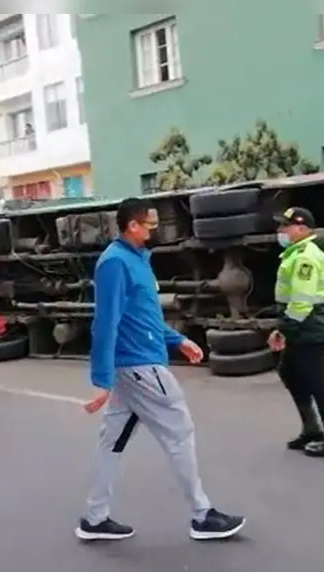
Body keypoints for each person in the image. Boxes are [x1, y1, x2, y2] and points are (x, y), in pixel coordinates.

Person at [77, 197, 245, 542]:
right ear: (131, 226)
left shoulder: (137, 260)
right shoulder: (115, 264)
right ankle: (202, 515)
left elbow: (142, 316)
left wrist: (176, 339)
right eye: (148, 224)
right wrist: (102, 380)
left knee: (112, 442)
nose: (153, 230)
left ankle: (94, 518)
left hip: (137, 362)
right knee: (180, 431)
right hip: (139, 365)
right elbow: (106, 322)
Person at [267, 207, 324, 458]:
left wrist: (283, 329)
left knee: (317, 382)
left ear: (301, 229)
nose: (280, 231)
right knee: (290, 372)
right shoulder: (294, 254)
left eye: (285, 226)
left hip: (309, 326)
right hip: (300, 325)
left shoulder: (305, 258)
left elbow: (302, 302)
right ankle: (312, 428)